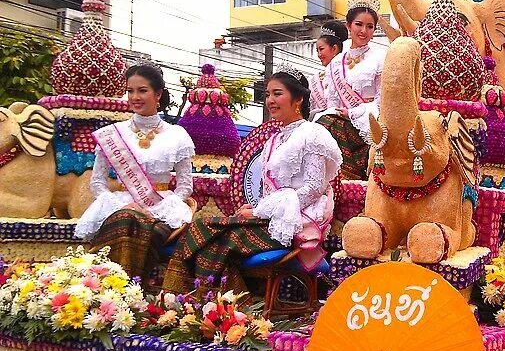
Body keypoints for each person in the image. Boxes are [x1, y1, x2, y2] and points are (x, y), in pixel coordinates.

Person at [163, 66, 341, 293]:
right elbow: (271, 192)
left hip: (295, 225)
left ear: (298, 98)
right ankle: (203, 305)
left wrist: (260, 212)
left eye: (278, 93)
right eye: (267, 94)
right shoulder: (275, 140)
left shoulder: (314, 134)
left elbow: (314, 189)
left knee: (208, 231)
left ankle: (202, 302)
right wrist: (256, 208)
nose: (270, 100)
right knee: (203, 230)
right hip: (270, 218)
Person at [74, 63, 195, 280]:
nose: (135, 97)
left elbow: (185, 186)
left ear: (158, 94)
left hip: (160, 209)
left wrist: (159, 207)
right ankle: (114, 290)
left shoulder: (177, 135)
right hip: (121, 206)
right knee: (127, 218)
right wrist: (122, 205)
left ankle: (126, 289)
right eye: (130, 91)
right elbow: (97, 183)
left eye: (142, 90)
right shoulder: (112, 134)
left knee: (137, 224)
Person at [320, 0, 386, 181]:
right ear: (349, 25)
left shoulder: (381, 58)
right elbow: (331, 102)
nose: (363, 31)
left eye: (370, 26)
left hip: (368, 125)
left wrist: (354, 113)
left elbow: (383, 101)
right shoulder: (335, 63)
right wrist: (339, 113)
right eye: (359, 24)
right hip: (339, 122)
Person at [309, 20, 349, 121]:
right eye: (317, 50)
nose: (319, 54)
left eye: (321, 49)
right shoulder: (317, 79)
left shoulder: (347, 72)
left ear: (334, 49)